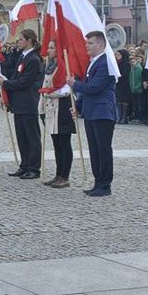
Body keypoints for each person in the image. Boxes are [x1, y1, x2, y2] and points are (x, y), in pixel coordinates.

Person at [72, 31, 118, 196]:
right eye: (87, 43)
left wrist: (74, 84)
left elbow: (95, 87)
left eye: (90, 43)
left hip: (102, 112)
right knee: (94, 149)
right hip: (91, 112)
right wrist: (78, 105)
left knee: (103, 149)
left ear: (100, 44)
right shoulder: (92, 62)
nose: (87, 46)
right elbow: (87, 88)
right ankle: (98, 181)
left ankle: (105, 184)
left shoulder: (106, 63)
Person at [0, 29, 43, 180]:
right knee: (22, 137)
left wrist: (6, 84)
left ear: (30, 40)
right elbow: (16, 74)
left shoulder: (33, 59)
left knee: (32, 137)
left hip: (28, 103)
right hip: (19, 103)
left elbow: (25, 81)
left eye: (21, 39)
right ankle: (24, 165)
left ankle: (34, 168)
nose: (19, 42)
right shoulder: (22, 56)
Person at [40, 44, 75, 188]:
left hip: (63, 109)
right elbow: (44, 85)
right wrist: (41, 108)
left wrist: (48, 93)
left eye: (52, 48)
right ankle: (58, 174)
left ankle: (65, 176)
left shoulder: (66, 65)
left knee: (64, 143)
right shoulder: (49, 66)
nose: (48, 50)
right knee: (56, 144)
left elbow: (66, 90)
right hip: (51, 109)